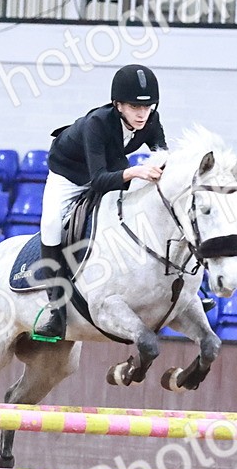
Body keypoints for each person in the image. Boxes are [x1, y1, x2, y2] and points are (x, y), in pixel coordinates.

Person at [33, 63, 167, 342]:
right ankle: (56, 310)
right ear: (118, 105)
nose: (142, 114)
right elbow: (98, 181)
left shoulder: (151, 121)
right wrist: (135, 171)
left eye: (147, 107)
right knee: (51, 224)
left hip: (110, 165)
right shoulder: (97, 123)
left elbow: (164, 159)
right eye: (134, 107)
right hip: (69, 173)